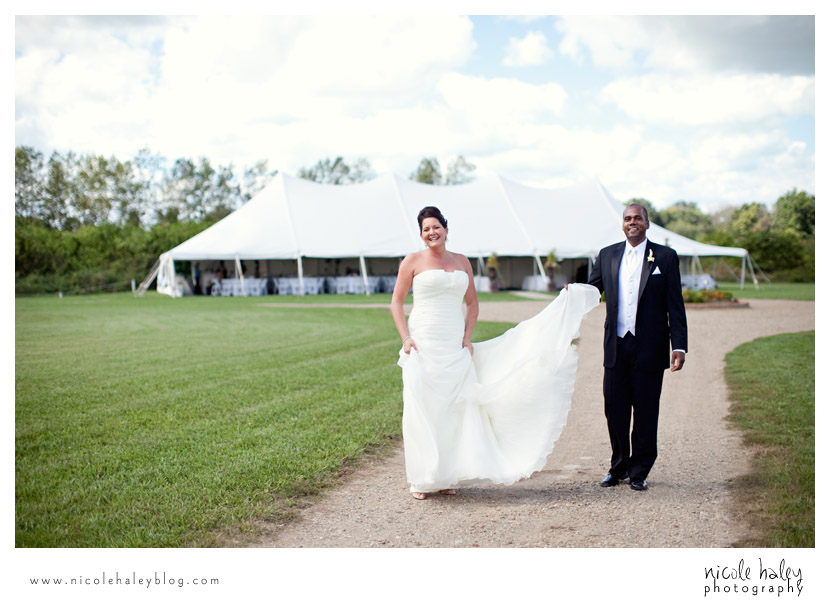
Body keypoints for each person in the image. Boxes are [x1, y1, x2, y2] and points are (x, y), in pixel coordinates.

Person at [391, 206, 600, 500]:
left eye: (436, 226)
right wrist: (406, 338)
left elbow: (473, 303)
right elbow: (397, 302)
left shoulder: (462, 261)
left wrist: (466, 335)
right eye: (426, 229)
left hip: (453, 342)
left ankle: (446, 474)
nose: (431, 233)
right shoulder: (411, 261)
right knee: (424, 407)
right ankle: (422, 478)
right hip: (424, 340)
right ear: (421, 234)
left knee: (455, 410)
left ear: (446, 229)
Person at [587, 203, 687, 491]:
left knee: (645, 410)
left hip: (650, 347)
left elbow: (674, 305)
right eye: (628, 218)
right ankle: (618, 467)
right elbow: (593, 289)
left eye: (638, 218)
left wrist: (678, 345)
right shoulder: (607, 255)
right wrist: (573, 293)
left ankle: (639, 470)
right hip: (616, 346)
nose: (633, 222)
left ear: (647, 223)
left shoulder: (665, 257)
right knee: (615, 409)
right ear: (622, 224)